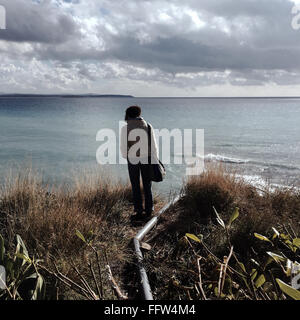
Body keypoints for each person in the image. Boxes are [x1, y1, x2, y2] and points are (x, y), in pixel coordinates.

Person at [120, 105, 159, 220]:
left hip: (132, 159)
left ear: (128, 115)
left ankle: (138, 210)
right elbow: (154, 146)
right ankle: (149, 209)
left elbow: (123, 147)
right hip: (146, 158)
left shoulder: (125, 128)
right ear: (139, 114)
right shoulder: (148, 126)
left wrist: (126, 156)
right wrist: (155, 159)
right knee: (147, 185)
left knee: (135, 185)